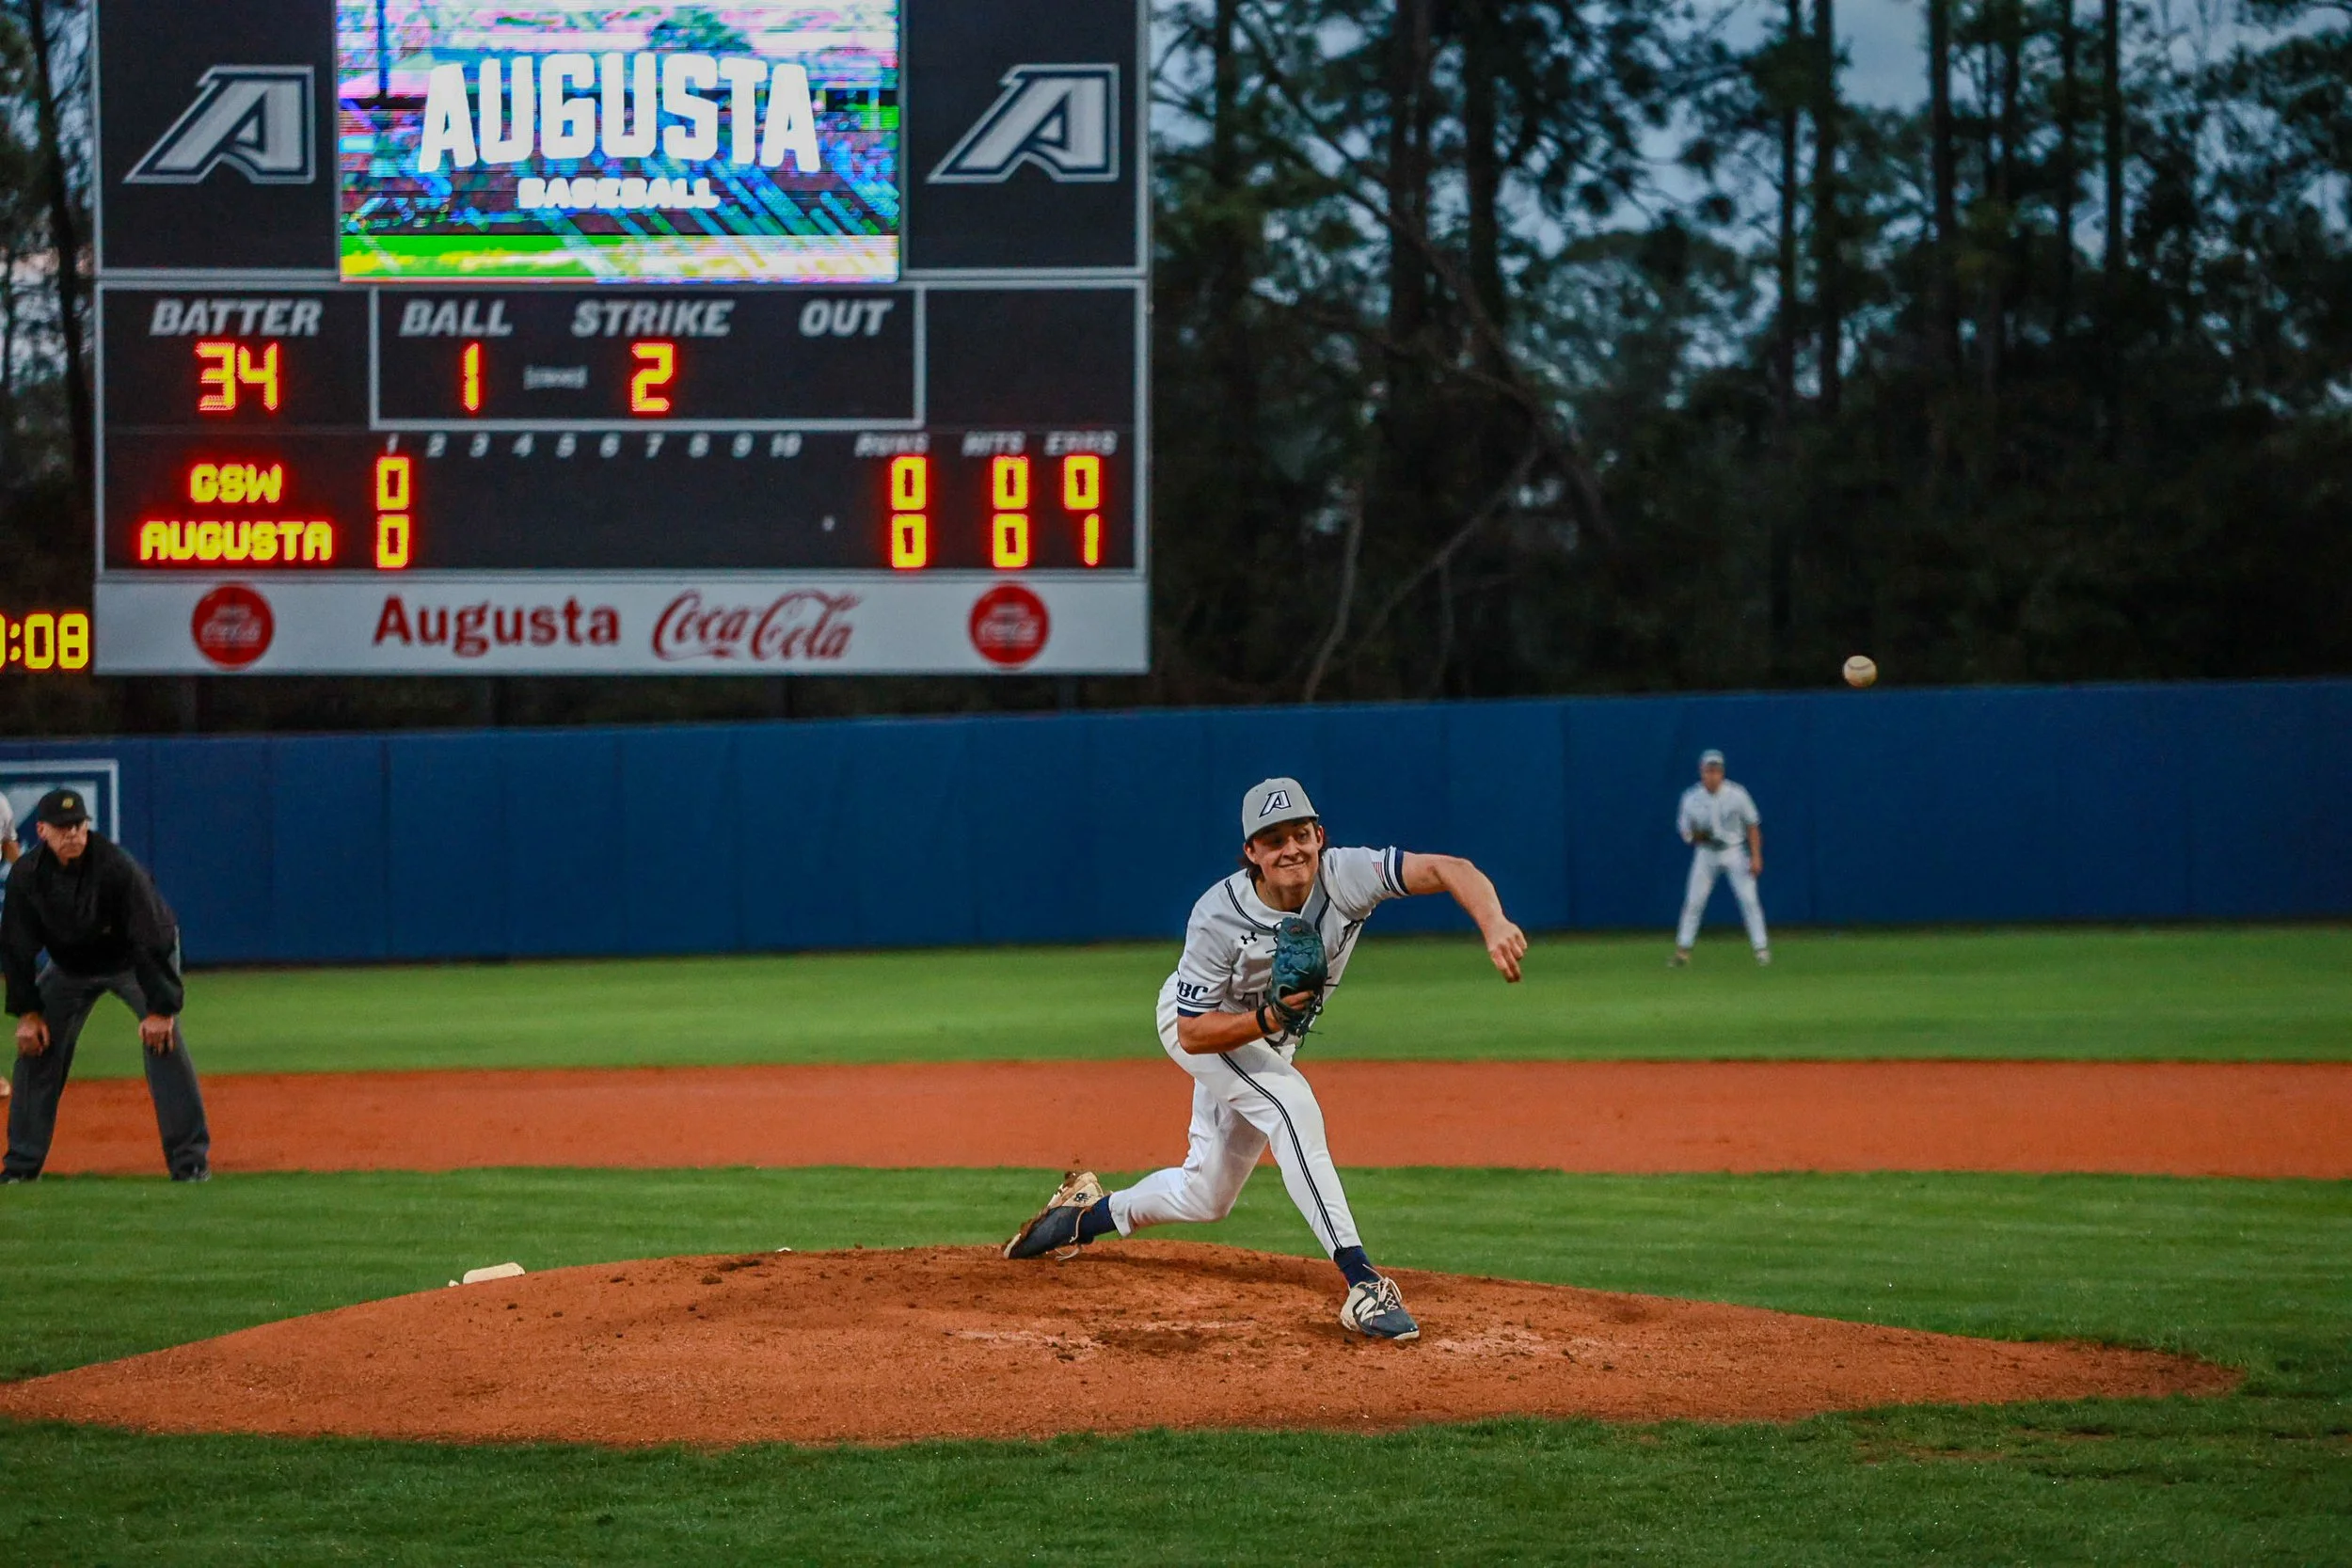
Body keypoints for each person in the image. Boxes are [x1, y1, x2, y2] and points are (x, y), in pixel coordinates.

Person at [1002, 777, 1528, 1342]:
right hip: (1204, 1027)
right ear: (1251, 852)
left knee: (1207, 1196)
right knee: (1291, 1105)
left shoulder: (1347, 875)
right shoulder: (1217, 914)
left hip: (1268, 1040)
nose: (1291, 850)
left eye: (1300, 834)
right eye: (1273, 840)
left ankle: (1084, 1215)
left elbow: (1450, 868)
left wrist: (1494, 922)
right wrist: (1267, 1020)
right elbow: (1192, 1031)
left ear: (1320, 836)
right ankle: (1362, 1283)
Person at [3, 788, 211, 1182]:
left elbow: (154, 935)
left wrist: (160, 1009)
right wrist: (28, 1013)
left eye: (78, 825)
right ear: (42, 830)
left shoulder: (115, 866)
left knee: (163, 1043)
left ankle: (191, 1162)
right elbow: (16, 947)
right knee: (35, 1047)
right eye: (62, 827)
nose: (72, 833)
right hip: (70, 967)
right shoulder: (27, 876)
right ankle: (20, 1166)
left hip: (133, 961)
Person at [1671, 749, 1769, 967]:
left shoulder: (1737, 794)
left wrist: (1756, 856)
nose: (1712, 775)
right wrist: (1696, 837)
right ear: (1701, 772)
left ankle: (1761, 949)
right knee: (1694, 901)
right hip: (1706, 852)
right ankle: (1683, 950)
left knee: (1749, 900)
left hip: (1734, 850)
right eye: (1708, 771)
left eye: (1716, 771)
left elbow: (1752, 825)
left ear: (1722, 773)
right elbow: (1685, 831)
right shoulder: (1691, 798)